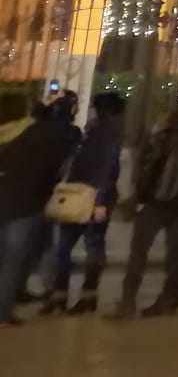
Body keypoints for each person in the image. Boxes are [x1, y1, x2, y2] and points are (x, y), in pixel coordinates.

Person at [110, 92, 178, 320]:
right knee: (175, 257)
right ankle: (166, 300)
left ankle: (127, 302)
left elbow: (149, 165)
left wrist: (140, 196)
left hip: (156, 202)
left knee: (138, 254)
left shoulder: (167, 130)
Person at [39, 90, 122, 315]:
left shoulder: (105, 132)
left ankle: (77, 296)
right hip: (83, 194)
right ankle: (74, 295)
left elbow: (108, 168)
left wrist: (101, 201)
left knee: (81, 247)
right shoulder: (96, 130)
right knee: (76, 247)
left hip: (91, 196)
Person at [0, 88, 68, 324]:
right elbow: (49, 169)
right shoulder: (36, 134)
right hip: (24, 206)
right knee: (12, 262)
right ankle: (2, 313)